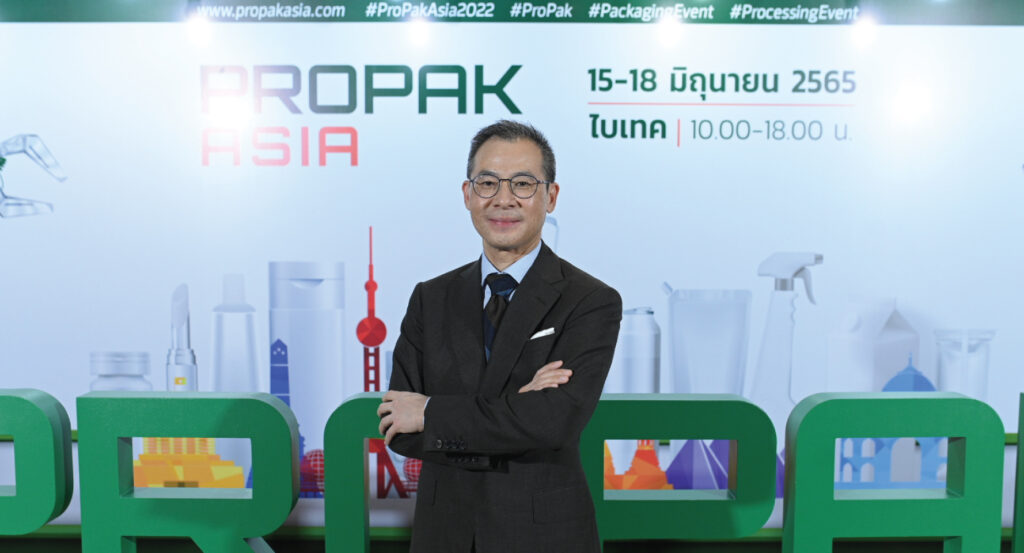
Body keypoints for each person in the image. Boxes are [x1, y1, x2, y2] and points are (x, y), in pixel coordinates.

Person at [377, 120, 621, 553]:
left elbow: (554, 422)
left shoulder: (590, 301)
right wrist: (517, 408)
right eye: (487, 183)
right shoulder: (431, 298)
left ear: (551, 196)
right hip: (444, 535)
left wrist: (432, 412)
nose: (503, 199)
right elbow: (400, 427)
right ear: (467, 194)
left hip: (544, 535)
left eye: (523, 183)